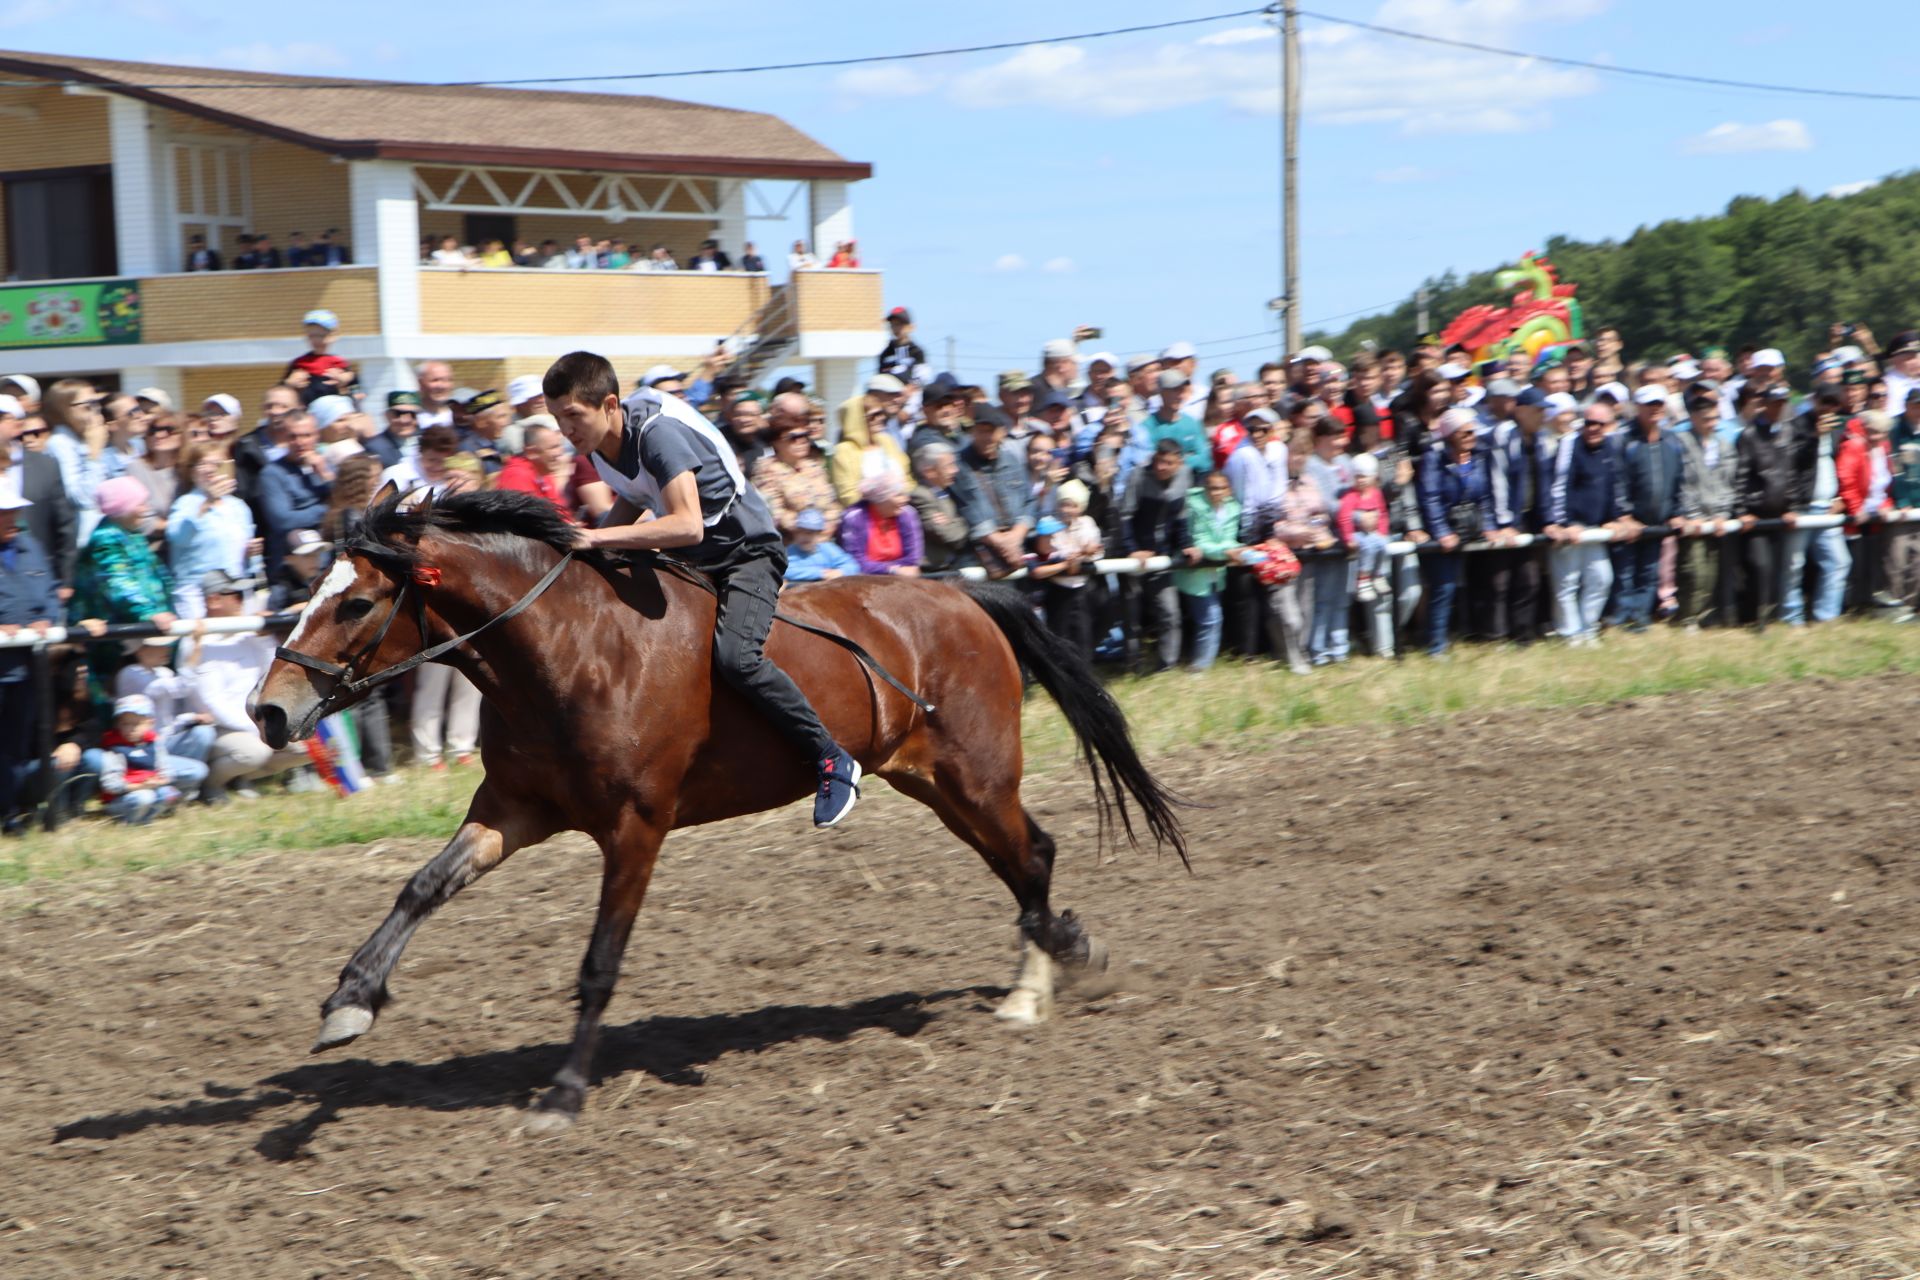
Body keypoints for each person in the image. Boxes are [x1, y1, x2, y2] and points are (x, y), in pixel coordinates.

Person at [545, 350, 864, 828]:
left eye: (573, 415)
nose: (565, 430)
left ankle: (832, 758)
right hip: (695, 559)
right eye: (556, 419)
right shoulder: (600, 446)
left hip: (746, 555)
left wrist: (593, 538)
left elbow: (688, 524)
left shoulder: (658, 437)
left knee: (738, 659)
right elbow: (633, 500)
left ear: (610, 405)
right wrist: (581, 555)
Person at [185, 571, 309, 799]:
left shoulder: (248, 632)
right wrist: (258, 728)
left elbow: (271, 672)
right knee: (254, 751)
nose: (244, 600)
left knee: (306, 746)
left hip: (254, 721)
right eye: (238, 595)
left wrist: (263, 637)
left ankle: (240, 778)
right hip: (219, 728)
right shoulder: (198, 641)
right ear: (214, 600)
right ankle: (211, 785)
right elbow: (211, 702)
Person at [1416, 407, 1499, 657]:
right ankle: (1436, 646)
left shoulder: (1479, 457)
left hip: (1469, 528)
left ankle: (1465, 636)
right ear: (1451, 434)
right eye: (1467, 433)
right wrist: (1441, 532)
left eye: (1474, 432)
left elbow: (1484, 497)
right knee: (1444, 587)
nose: (1473, 437)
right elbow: (1429, 498)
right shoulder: (1434, 459)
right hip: (1443, 533)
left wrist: (1489, 527)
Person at [1546, 401, 1628, 645]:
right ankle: (1569, 635)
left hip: (1595, 529)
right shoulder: (1569, 444)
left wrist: (1614, 518)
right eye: (1589, 423)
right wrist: (1563, 522)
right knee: (1567, 583)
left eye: (1600, 424)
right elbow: (1559, 485)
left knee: (1601, 578)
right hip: (1570, 528)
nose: (1593, 428)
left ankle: (1588, 629)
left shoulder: (1610, 447)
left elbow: (1613, 484)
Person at [0, 491, 60, 825]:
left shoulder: (31, 546)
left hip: (27, 668)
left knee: (17, 742)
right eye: (3, 511)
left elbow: (51, 593)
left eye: (14, 510)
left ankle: (11, 810)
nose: (12, 518)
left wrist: (47, 620)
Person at [1613, 387, 1683, 631]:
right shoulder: (1624, 441)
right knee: (1625, 573)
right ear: (1637, 407)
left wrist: (1676, 512)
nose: (1655, 408)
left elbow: (1678, 480)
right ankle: (1622, 617)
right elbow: (1617, 480)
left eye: (1659, 403)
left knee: (1650, 571)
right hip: (1631, 522)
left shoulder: (1672, 440)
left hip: (1658, 522)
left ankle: (1640, 618)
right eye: (1649, 404)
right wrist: (1624, 515)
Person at [1117, 440, 1191, 671]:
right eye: (1159, 461)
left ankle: (1167, 664)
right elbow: (1125, 516)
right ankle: (1132, 663)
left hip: (1162, 557)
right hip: (1134, 556)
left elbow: (1182, 517)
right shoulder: (1138, 476)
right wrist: (1131, 549)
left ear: (1179, 463)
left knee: (1170, 612)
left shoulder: (1186, 477)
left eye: (1168, 463)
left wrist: (1186, 544)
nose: (1161, 467)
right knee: (1132, 614)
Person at [1673, 385, 1740, 628]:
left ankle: (1701, 615)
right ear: (1693, 418)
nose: (1711, 423)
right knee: (1694, 570)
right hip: (1693, 519)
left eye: (1714, 418)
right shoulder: (1680, 443)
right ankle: (1687, 617)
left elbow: (1729, 483)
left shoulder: (1723, 445)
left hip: (1717, 518)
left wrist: (1722, 514)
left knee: (1712, 572)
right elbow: (1681, 483)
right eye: (1705, 419)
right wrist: (1692, 515)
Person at [1781, 391, 1851, 626]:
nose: (1829, 408)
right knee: (1793, 564)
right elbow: (1792, 462)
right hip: (1801, 506)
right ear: (1814, 401)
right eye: (1825, 403)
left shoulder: (1838, 428)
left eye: (1834, 404)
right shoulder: (1795, 426)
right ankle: (1791, 618)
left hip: (1827, 507)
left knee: (1839, 561)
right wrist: (1815, 436)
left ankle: (1826, 616)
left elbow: (1839, 464)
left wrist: (1841, 496)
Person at [166, 441, 256, 618]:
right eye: (203, 464)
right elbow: (177, 537)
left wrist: (250, 552)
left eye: (217, 464)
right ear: (192, 472)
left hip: (233, 591)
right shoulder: (185, 504)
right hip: (196, 594)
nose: (210, 469)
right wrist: (207, 503)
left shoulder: (238, 507)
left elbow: (243, 556)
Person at [1174, 472, 1243, 672]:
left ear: (1228, 490)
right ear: (1205, 489)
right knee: (1211, 618)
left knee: (1208, 619)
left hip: (1216, 573)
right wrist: (1226, 551)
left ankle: (1201, 662)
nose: (1216, 492)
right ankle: (1201, 666)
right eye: (1212, 488)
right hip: (1195, 574)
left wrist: (1237, 549)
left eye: (1221, 488)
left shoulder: (1233, 508)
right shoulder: (1195, 508)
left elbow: (1229, 538)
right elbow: (1199, 541)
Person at [752, 394, 841, 541]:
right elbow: (774, 511)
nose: (802, 442)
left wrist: (829, 523)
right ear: (776, 442)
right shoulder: (766, 470)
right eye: (794, 438)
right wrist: (809, 528)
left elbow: (833, 504)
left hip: (824, 540)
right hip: (791, 544)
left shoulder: (814, 466)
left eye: (805, 436)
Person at [1036, 479, 1104, 661]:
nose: (1066, 509)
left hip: (1081, 589)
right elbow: (1047, 552)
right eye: (1063, 504)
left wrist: (1083, 553)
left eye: (1071, 505)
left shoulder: (1088, 523)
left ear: (1080, 507)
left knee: (1083, 637)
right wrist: (1082, 552)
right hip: (1057, 589)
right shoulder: (1048, 523)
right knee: (1058, 636)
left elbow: (1096, 552)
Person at [258, 411, 332, 575]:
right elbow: (283, 520)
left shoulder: (325, 466)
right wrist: (325, 510)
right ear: (284, 437)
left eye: (306, 435)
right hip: (293, 569)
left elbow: (344, 502)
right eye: (293, 436)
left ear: (317, 435)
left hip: (325, 561)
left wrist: (324, 474)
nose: (300, 442)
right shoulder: (272, 473)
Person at [837, 474, 923, 576]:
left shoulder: (907, 513)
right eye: (899, 495)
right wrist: (893, 569)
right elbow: (855, 561)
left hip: (901, 579)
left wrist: (897, 570)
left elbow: (912, 559)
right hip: (864, 580)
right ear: (880, 499)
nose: (906, 499)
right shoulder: (854, 517)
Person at [907, 441, 970, 572]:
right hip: (932, 570)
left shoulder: (946, 491)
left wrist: (952, 522)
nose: (955, 470)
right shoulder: (921, 495)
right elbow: (946, 534)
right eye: (949, 466)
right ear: (930, 471)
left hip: (951, 565)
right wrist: (963, 523)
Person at [495, 420, 573, 517]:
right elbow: (529, 520)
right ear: (532, 452)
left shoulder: (543, 472)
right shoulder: (517, 476)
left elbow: (561, 513)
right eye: (553, 448)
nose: (560, 452)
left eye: (559, 446)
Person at [1145, 371, 1207, 470]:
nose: (1180, 396)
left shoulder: (1192, 423)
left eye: (1181, 391)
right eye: (1174, 390)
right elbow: (1148, 461)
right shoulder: (1147, 426)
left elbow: (1204, 460)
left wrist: (1177, 463)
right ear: (1161, 392)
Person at [783, 507, 858, 582]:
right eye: (800, 532)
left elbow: (852, 565)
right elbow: (785, 570)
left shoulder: (828, 549)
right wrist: (820, 573)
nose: (804, 537)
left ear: (819, 535)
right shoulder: (789, 552)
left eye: (810, 533)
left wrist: (840, 572)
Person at [877, 307, 924, 383]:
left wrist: (909, 389)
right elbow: (880, 378)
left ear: (910, 327)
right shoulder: (886, 353)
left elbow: (923, 378)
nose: (896, 328)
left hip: (910, 393)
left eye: (900, 325)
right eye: (893, 325)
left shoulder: (916, 351)